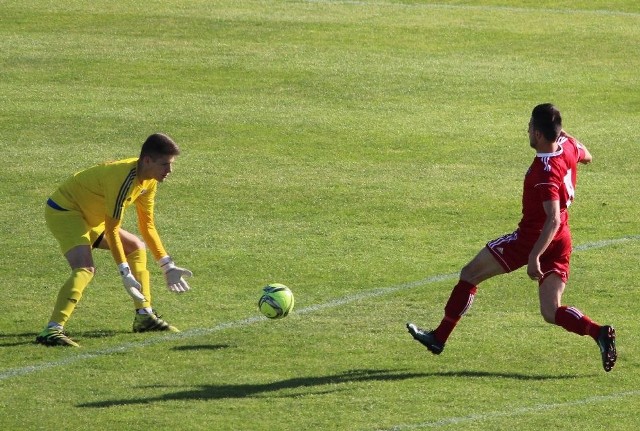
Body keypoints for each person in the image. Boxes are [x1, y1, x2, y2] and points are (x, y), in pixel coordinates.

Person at [407, 104, 617, 372]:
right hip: (562, 237)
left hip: (532, 239)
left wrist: (533, 256)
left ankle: (439, 338)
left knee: (470, 274)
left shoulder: (545, 173)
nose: (527, 130)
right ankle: (599, 332)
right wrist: (564, 138)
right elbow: (587, 156)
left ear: (539, 135)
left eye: (530, 127)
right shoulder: (567, 145)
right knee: (551, 311)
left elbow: (551, 218)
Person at [36, 133, 193, 347]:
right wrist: (124, 272)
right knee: (85, 268)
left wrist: (167, 265)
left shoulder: (148, 180)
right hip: (66, 211)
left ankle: (144, 315)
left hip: (90, 216)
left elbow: (147, 225)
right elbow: (111, 229)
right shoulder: (123, 179)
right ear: (147, 160)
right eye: (165, 164)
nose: (169, 171)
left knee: (136, 246)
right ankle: (52, 330)